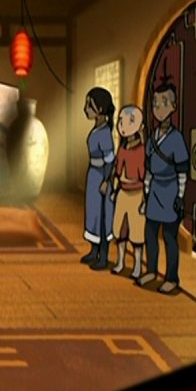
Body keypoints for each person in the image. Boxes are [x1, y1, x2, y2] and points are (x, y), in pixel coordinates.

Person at [140, 83, 190, 293]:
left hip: (170, 190)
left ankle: (171, 278)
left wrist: (180, 195)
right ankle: (151, 270)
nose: (158, 108)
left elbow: (182, 170)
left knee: (170, 237)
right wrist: (146, 192)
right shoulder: (152, 137)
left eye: (164, 103)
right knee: (150, 233)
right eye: (155, 104)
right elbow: (148, 168)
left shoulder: (176, 138)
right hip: (154, 190)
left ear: (173, 106)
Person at [109, 105, 147, 279]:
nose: (123, 125)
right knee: (120, 229)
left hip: (137, 193)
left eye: (129, 122)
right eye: (121, 121)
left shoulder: (141, 150)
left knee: (137, 233)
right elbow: (118, 171)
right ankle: (120, 261)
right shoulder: (122, 149)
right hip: (122, 192)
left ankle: (138, 265)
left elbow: (144, 176)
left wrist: (145, 199)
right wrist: (115, 189)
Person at [81, 87, 117, 271]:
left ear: (100, 109)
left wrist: (106, 181)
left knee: (103, 216)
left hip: (102, 176)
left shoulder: (104, 133)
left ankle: (103, 255)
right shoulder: (97, 129)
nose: (86, 109)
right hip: (93, 175)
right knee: (93, 213)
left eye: (90, 105)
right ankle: (93, 249)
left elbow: (110, 160)